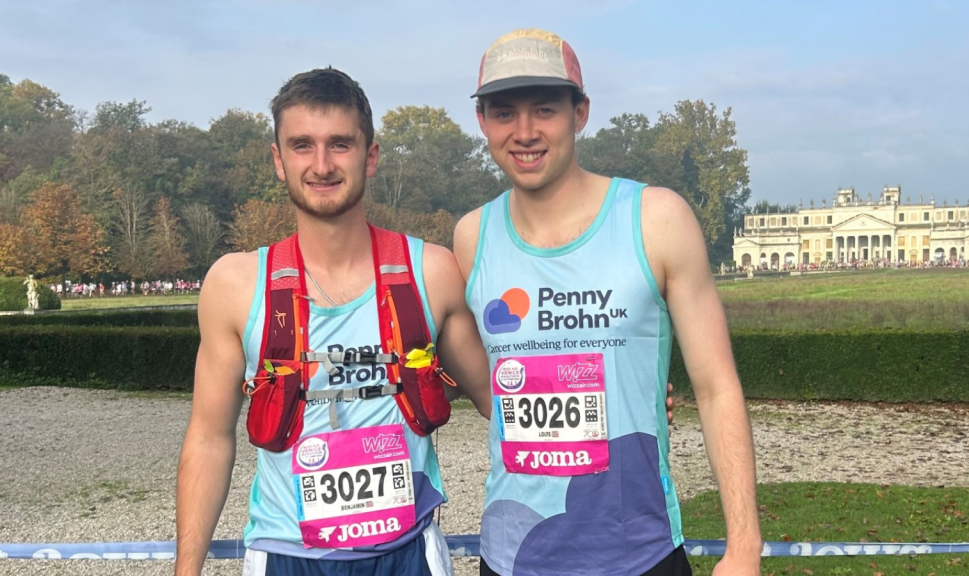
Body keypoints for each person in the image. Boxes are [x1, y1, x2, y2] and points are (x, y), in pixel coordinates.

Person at [453, 29, 762, 576]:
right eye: (504, 113)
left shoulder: (657, 218)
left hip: (639, 553)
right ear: (482, 122)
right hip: (513, 556)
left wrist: (743, 546)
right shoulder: (472, 237)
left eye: (544, 109)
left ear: (580, 113)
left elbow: (718, 388)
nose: (524, 132)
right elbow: (489, 386)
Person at [175, 68, 493, 576]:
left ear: (371, 155)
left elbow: (496, 400)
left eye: (340, 144)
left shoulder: (430, 271)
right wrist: (185, 571)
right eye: (302, 145)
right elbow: (210, 437)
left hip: (408, 554)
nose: (321, 165)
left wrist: (628, 401)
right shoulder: (234, 284)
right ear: (278, 160)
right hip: (285, 556)